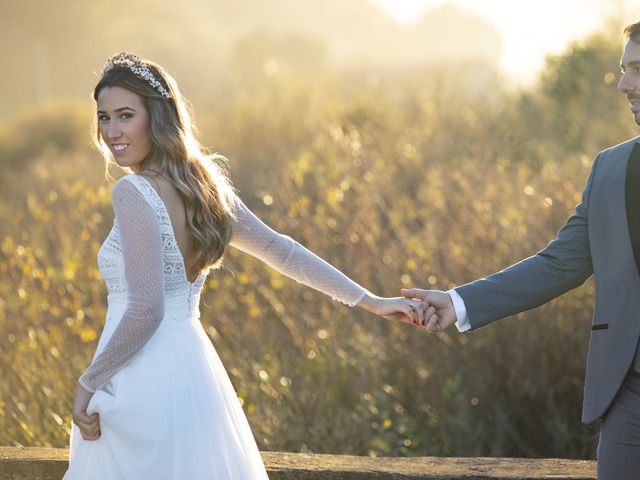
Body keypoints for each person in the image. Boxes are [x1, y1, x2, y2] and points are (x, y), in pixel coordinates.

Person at [63, 52, 431, 479]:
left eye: (125, 115)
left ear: (157, 116)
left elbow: (148, 307)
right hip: (193, 373)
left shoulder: (132, 192)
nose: (111, 131)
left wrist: (88, 383)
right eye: (104, 118)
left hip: (138, 379)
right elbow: (283, 251)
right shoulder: (205, 186)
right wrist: (369, 300)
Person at [402, 21, 640, 480]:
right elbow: (557, 265)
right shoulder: (610, 171)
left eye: (636, 69)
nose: (623, 83)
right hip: (629, 397)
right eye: (623, 69)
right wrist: (457, 302)